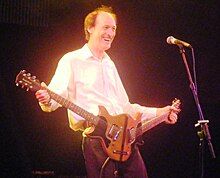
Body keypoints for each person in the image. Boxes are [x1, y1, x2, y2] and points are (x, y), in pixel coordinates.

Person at [35, 5, 180, 178]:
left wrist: (160, 112)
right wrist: (45, 98)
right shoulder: (72, 60)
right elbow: (54, 97)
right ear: (90, 28)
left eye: (113, 29)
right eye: (105, 27)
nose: (110, 33)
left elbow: (126, 107)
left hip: (124, 140)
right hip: (97, 139)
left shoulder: (110, 65)